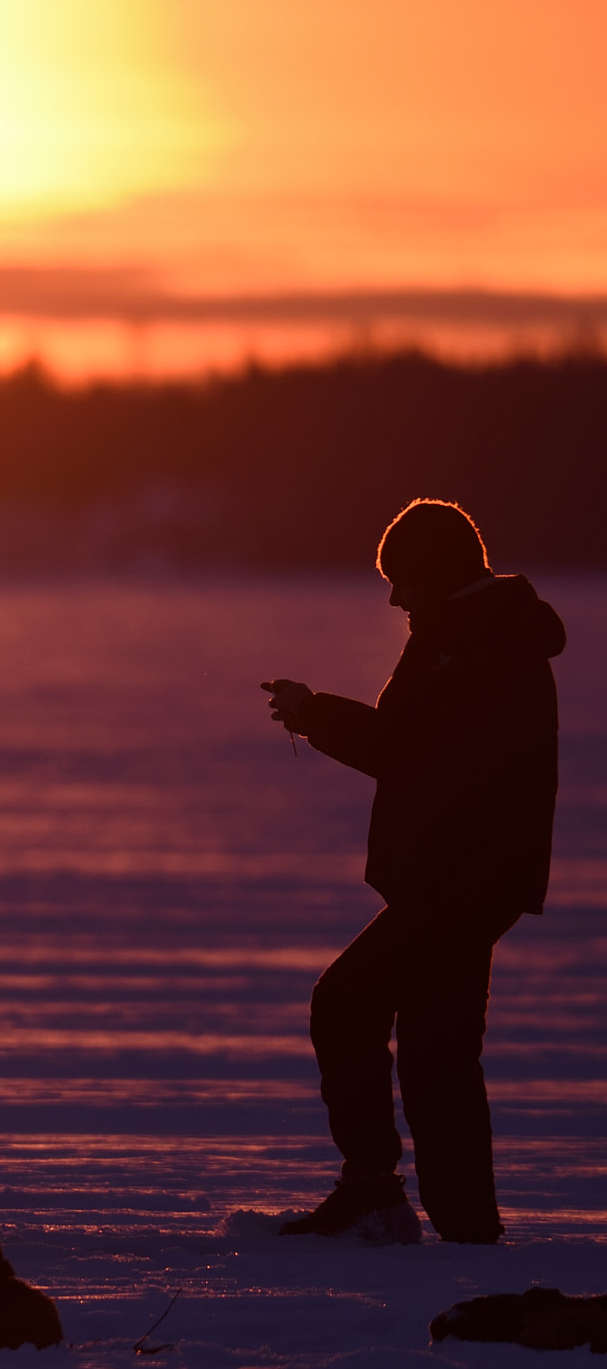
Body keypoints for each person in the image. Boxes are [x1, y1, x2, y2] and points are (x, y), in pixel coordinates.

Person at [263, 498, 564, 1245]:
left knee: (345, 1002)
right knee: (438, 1049)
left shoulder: (475, 642)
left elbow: (405, 746)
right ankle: (465, 1227)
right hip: (461, 877)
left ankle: (374, 1189)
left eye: (402, 579)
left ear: (439, 572)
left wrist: (314, 712)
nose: (394, 596)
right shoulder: (470, 633)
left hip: (459, 881)